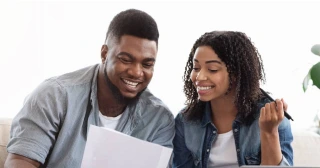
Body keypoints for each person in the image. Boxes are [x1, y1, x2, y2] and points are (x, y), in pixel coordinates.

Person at [5, 9, 175, 168]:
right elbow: (21, 160)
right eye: (126, 59)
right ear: (104, 54)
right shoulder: (55, 96)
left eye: (147, 64)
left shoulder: (159, 120)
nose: (137, 72)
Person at [172, 31, 293, 167]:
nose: (199, 77)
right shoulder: (185, 121)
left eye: (212, 69)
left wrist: (269, 131)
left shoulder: (271, 118)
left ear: (237, 73)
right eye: (196, 68)